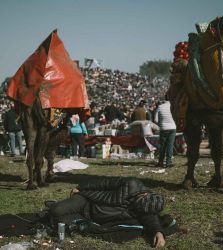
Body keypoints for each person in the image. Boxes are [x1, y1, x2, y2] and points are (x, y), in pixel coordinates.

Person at [46, 177, 178, 247]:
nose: (135, 207)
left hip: (89, 218)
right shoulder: (131, 184)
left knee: (62, 224)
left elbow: (152, 220)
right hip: (87, 201)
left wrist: (158, 232)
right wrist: (80, 188)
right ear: (144, 194)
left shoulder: (145, 208)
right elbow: (103, 183)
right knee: (56, 210)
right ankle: (56, 204)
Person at [154, 92, 176, 168]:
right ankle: (168, 163)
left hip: (163, 128)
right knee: (170, 145)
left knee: (162, 146)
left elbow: (155, 120)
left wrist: (161, 123)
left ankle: (160, 162)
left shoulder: (160, 107)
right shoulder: (174, 107)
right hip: (173, 127)